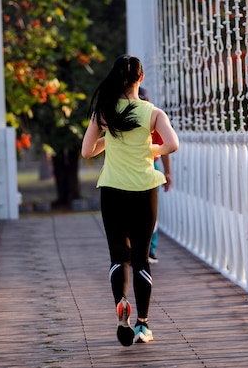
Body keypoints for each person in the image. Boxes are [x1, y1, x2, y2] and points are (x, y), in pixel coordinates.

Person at [81, 55, 179, 346]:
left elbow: (87, 152)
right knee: (141, 258)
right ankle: (143, 326)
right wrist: (149, 150)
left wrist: (109, 139)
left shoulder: (104, 112)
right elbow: (172, 144)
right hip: (144, 189)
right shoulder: (152, 112)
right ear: (141, 78)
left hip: (112, 189)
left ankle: (122, 303)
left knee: (118, 255)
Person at [138, 87, 172, 264]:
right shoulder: (154, 116)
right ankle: (146, 250)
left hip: (148, 165)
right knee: (149, 212)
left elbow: (166, 146)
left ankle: (147, 249)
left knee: (149, 212)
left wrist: (167, 172)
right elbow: (168, 146)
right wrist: (167, 172)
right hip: (151, 164)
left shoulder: (152, 117)